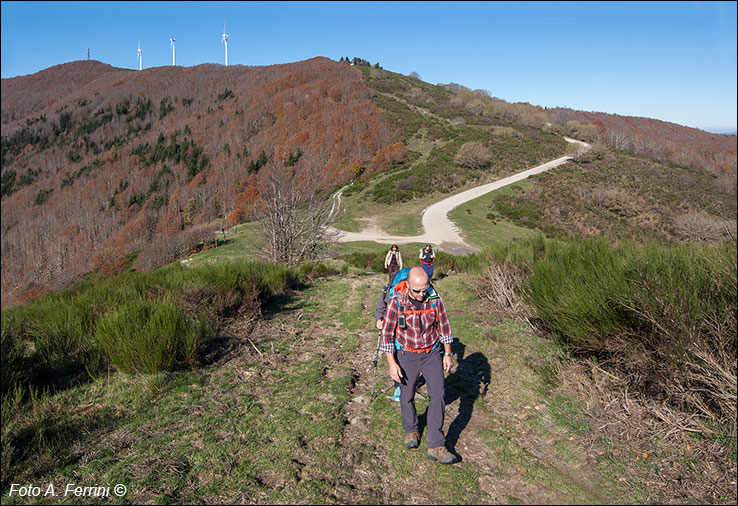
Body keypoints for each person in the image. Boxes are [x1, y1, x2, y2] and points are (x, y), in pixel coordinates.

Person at [381, 266, 457, 464]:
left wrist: (447, 354)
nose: (422, 294)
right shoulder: (397, 302)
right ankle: (411, 430)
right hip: (406, 354)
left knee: (439, 394)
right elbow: (387, 334)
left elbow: (445, 327)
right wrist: (392, 363)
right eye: (417, 290)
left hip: (432, 353)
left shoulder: (434, 299)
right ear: (408, 287)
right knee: (406, 395)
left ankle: (436, 444)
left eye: (425, 289)